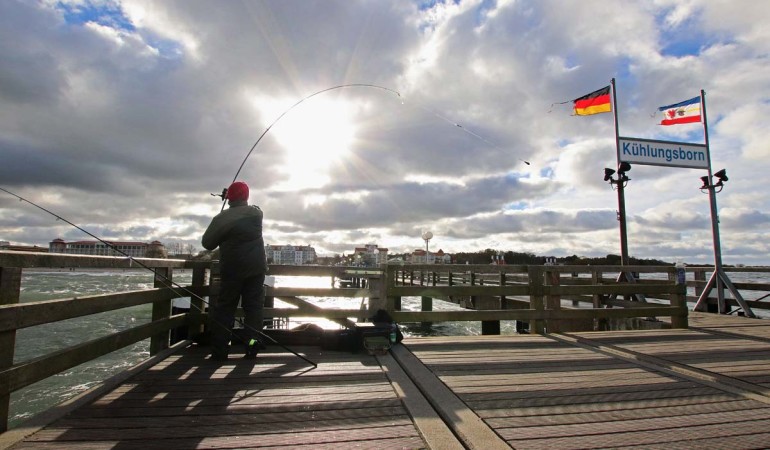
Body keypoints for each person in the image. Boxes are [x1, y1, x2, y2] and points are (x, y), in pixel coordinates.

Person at [202, 181, 268, 361]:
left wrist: (225, 210)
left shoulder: (222, 218)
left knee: (225, 309)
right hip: (256, 269)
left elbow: (207, 243)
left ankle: (220, 351)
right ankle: (252, 347)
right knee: (253, 309)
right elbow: (255, 207)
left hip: (232, 269)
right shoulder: (256, 214)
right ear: (246, 196)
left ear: (228, 197)